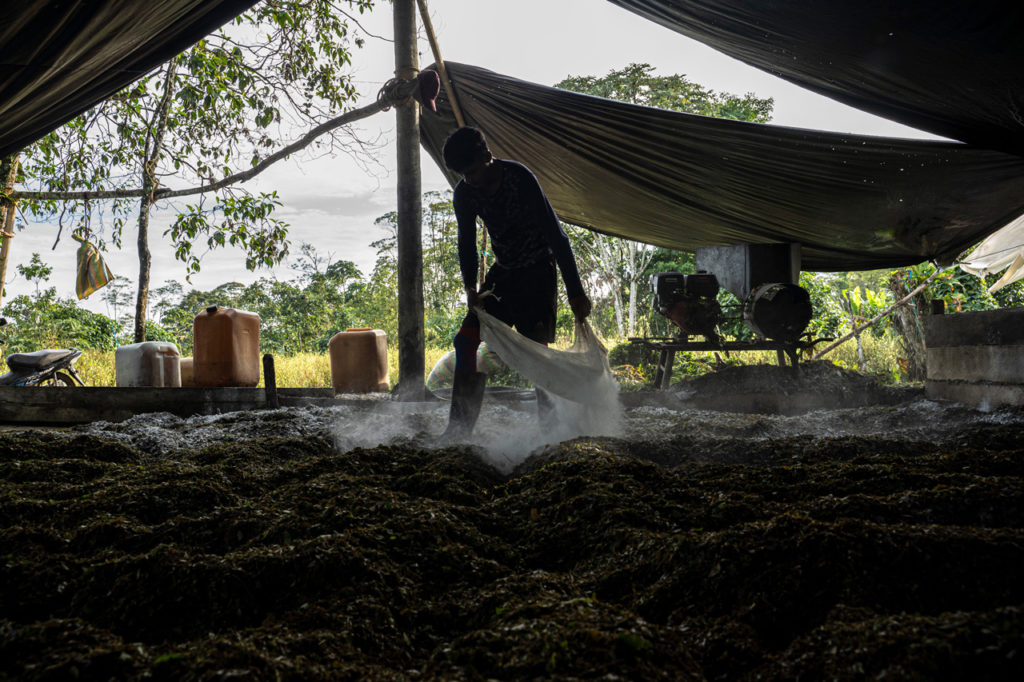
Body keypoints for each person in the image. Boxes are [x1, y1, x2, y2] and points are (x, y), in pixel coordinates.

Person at [439, 126, 592, 441]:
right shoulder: (465, 193)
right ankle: (458, 431)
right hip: (503, 276)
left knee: (538, 357)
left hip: (538, 274)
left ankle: (550, 433)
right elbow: (466, 243)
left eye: (472, 171)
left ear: (487, 155)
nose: (469, 179)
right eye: (462, 175)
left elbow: (556, 235)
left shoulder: (519, 179)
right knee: (466, 342)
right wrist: (470, 287)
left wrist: (575, 291)